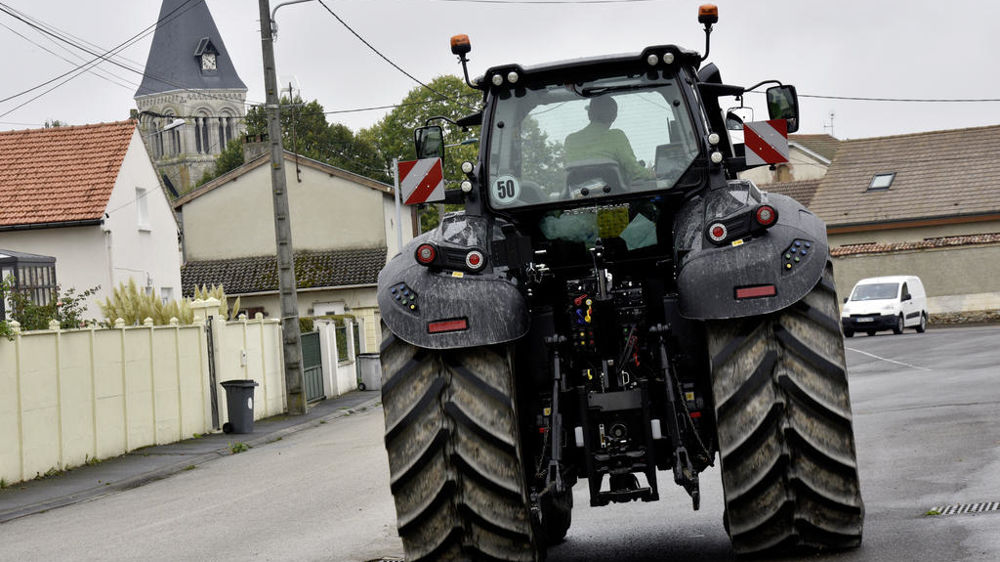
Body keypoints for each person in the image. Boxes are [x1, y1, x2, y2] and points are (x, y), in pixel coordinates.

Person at [564, 96, 648, 184]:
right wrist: (651, 174)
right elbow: (635, 171)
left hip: (580, 195)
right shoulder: (616, 136)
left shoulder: (570, 140)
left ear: (589, 114)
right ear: (614, 116)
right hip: (614, 195)